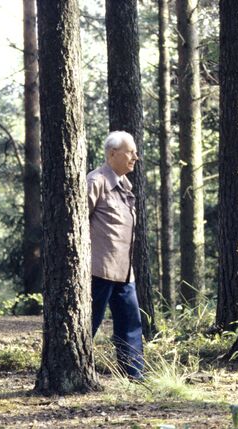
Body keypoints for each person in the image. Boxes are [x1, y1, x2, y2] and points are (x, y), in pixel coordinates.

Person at [87, 130, 144, 380]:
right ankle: (73, 368)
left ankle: (134, 376)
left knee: (131, 325)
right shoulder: (96, 180)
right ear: (113, 154)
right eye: (130, 152)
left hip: (124, 271)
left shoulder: (125, 185)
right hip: (98, 269)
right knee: (88, 325)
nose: (135, 157)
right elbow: (77, 221)